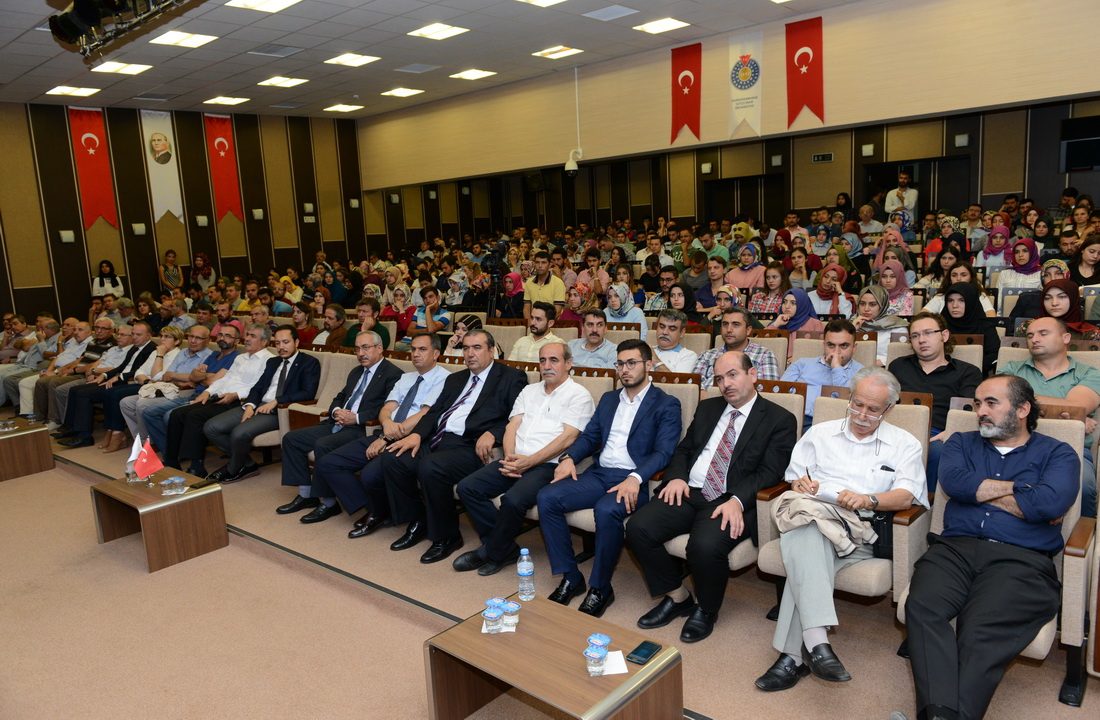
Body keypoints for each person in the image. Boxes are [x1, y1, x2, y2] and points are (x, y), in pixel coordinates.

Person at [900, 375, 1078, 720]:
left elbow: (1050, 504)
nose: (981, 410)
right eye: (978, 403)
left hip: (1021, 559)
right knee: (923, 606)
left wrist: (981, 491)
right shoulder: (961, 443)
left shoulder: (1058, 452)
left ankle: (938, 714)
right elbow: (955, 483)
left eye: (991, 403)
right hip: (955, 549)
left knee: (980, 629)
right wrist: (1024, 491)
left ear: (1022, 409)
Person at [754, 368, 928, 692]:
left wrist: (868, 498)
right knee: (808, 527)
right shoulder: (819, 434)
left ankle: (796, 655)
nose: (862, 415)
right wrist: (800, 484)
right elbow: (795, 479)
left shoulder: (904, 444)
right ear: (849, 398)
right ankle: (815, 645)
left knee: (803, 547)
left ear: (889, 409)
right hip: (815, 514)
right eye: (857, 404)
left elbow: (907, 496)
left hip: (861, 529)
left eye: (873, 410)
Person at [626, 351, 797, 642]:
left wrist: (737, 500)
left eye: (732, 375)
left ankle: (706, 610)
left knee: (703, 546)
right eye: (719, 378)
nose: (725, 384)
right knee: (637, 528)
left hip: (729, 499)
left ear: (752, 374)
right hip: (689, 490)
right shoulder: (708, 408)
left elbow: (770, 472)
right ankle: (678, 597)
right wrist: (676, 477)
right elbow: (684, 449)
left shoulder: (779, 419)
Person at [536, 340, 682, 617]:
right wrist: (569, 458)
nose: (625, 369)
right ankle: (571, 577)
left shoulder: (666, 404)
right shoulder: (609, 399)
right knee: (547, 497)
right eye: (620, 364)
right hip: (601, 473)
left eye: (632, 363)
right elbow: (591, 436)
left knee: (606, 510)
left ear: (648, 365)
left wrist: (635, 477)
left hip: (636, 480)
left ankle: (600, 587)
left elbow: (664, 452)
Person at [380, 328, 527, 562]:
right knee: (393, 458)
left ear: (491, 351)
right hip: (437, 438)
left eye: (477, 348)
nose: (470, 353)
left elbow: (516, 416)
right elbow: (434, 412)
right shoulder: (455, 379)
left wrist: (493, 433)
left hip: (470, 445)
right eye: (466, 348)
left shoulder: (511, 377)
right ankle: (420, 521)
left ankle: (447, 536)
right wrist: (416, 435)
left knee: (430, 466)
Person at [453, 342, 595, 576]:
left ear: (568, 363)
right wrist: (510, 457)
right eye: (542, 360)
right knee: (468, 488)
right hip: (515, 459)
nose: (546, 366)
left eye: (554, 360)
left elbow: (568, 438)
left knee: (513, 500)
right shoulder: (529, 391)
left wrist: (530, 461)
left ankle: (492, 551)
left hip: (548, 465)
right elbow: (512, 426)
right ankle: (502, 548)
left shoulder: (579, 395)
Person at [321, 332, 452, 537]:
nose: (416, 354)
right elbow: (386, 408)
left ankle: (379, 511)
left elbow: (425, 414)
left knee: (370, 475)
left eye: (422, 349)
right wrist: (387, 423)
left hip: (411, 438)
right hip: (387, 432)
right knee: (330, 462)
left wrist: (386, 438)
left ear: (436, 353)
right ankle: (378, 509)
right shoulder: (406, 378)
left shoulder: (445, 379)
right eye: (413, 349)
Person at [275, 331, 403, 523]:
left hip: (361, 428)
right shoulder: (356, 371)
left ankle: (328, 503)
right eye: (357, 349)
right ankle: (306, 495)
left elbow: (387, 408)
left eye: (365, 348)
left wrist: (356, 418)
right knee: (292, 439)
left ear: (379, 348)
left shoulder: (394, 374)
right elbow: (340, 397)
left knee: (323, 444)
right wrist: (336, 411)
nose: (360, 353)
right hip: (337, 422)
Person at [999, 317, 1100, 517]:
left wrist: (1021, 400)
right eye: (1030, 335)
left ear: (1066, 338)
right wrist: (1070, 417)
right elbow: (998, 403)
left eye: (1043, 333)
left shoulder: (1089, 373)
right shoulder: (1011, 369)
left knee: (1085, 485)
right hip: (1014, 447)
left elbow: (1077, 406)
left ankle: (1084, 531)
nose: (1034, 339)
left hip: (1070, 449)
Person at [202, 327, 322, 484]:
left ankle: (232, 469)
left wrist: (277, 401)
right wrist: (250, 405)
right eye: (277, 343)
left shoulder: (309, 363)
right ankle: (247, 464)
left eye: (286, 342)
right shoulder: (273, 362)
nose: (281, 347)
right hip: (258, 405)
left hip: (280, 410)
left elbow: (307, 393)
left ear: (297, 342)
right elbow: (258, 388)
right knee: (211, 427)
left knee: (239, 433)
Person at [162, 324, 274, 477]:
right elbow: (224, 379)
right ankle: (171, 460)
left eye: (252, 336)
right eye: (247, 335)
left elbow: (258, 387)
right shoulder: (241, 357)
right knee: (177, 414)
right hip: (219, 396)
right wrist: (206, 392)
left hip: (238, 401)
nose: (247, 339)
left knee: (195, 416)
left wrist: (235, 394)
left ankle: (197, 465)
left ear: (264, 341)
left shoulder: (269, 360)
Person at [888, 312, 982, 491]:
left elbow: (968, 414)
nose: (921, 340)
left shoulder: (967, 372)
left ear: (944, 335)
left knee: (939, 452)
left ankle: (925, 502)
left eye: (928, 333)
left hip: (938, 434)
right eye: (915, 336)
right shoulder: (898, 366)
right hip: (899, 429)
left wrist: (948, 433)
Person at [57, 322, 156, 448]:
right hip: (119, 379)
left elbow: (138, 371)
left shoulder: (151, 349)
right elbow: (121, 367)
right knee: (75, 390)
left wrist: (117, 377)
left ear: (149, 335)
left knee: (85, 394)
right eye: (133, 334)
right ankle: (72, 427)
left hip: (130, 381)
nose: (134, 337)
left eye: (138, 335)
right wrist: (104, 375)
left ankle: (85, 436)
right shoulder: (135, 348)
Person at [781, 318, 864, 426]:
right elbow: (781, 395)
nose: (836, 352)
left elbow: (851, 401)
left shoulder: (862, 373)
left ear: (854, 347)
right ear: (824, 345)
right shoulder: (801, 364)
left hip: (835, 424)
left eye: (844, 345)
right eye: (831, 345)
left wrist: (837, 368)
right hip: (795, 419)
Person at [941, 282, 999, 375]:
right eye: (950, 300)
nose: (954, 305)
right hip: (942, 374)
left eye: (961, 300)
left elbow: (994, 355)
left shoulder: (986, 327)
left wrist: (968, 369)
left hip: (975, 375)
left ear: (971, 301)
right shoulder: (940, 326)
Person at [1014, 279, 1100, 341]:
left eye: (1062, 297)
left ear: (1073, 299)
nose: (1054, 303)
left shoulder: (1090, 333)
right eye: (1048, 298)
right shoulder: (1028, 327)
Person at [850, 285, 907, 365]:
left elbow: (899, 356)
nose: (866, 309)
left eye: (872, 304)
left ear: (882, 305)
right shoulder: (852, 324)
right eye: (862, 304)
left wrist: (870, 364)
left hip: (885, 369)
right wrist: (851, 330)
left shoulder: (897, 327)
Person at [923, 261, 995, 317]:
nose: (958, 279)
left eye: (963, 275)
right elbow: (923, 315)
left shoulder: (979, 295)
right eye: (954, 275)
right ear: (950, 279)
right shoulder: (941, 296)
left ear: (971, 278)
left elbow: (991, 315)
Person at [523, 251, 567, 318]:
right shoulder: (529, 282)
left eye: (543, 262)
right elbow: (526, 309)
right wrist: (530, 323)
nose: (540, 266)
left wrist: (543, 322)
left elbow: (557, 311)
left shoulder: (558, 283)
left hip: (551, 322)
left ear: (550, 264)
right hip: (534, 321)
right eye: (537, 262)